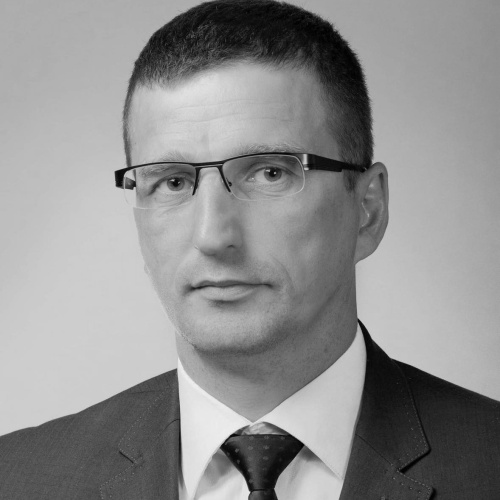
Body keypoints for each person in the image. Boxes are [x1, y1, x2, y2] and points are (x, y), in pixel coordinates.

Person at [1, 0, 499, 498]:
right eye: (173, 182)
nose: (213, 236)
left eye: (270, 173)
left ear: (367, 208)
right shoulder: (18, 478)